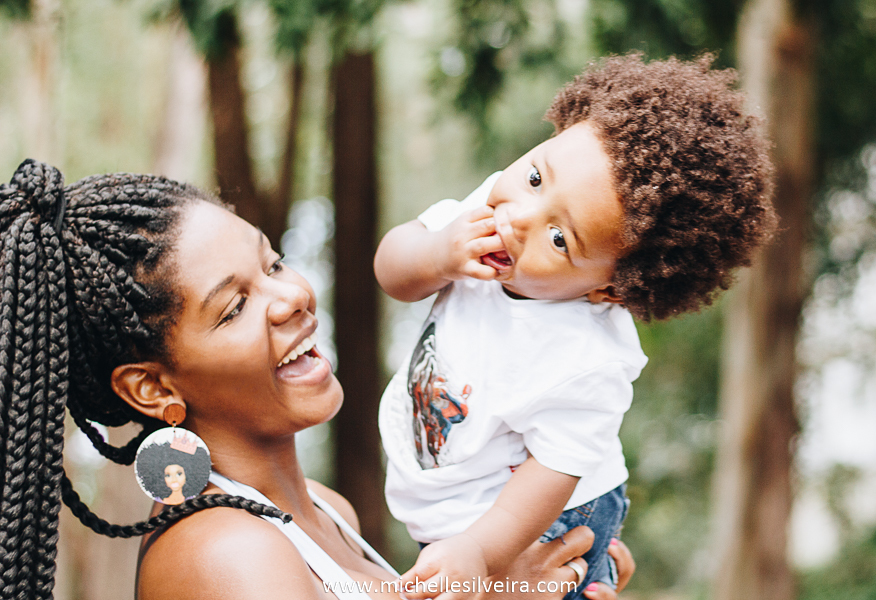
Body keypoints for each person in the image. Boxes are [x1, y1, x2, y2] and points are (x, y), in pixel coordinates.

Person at [0, 159, 634, 600]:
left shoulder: (331, 512)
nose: (292, 296)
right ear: (152, 388)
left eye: (272, 261)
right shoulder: (221, 552)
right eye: (234, 307)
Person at [374, 54, 776, 600]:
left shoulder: (585, 359)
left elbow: (551, 473)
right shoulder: (485, 211)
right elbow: (392, 272)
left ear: (609, 289)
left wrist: (482, 555)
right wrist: (437, 253)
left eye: (560, 238)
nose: (519, 218)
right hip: (463, 508)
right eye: (537, 176)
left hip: (536, 519)